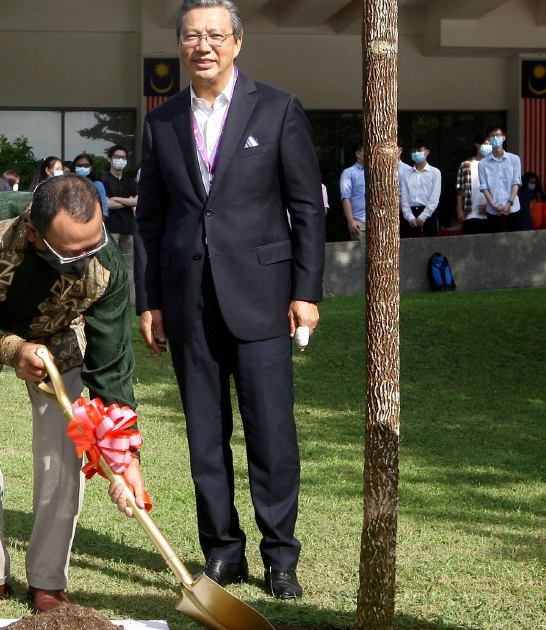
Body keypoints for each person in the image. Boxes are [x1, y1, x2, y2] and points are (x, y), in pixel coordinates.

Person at [136, 0, 324, 600]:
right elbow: (150, 221)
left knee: (272, 434)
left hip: (263, 297)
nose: (204, 46)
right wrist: (151, 300)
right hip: (188, 299)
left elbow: (307, 210)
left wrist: (305, 291)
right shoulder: (163, 121)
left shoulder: (278, 108)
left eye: (216, 35)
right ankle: (222, 551)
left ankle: (280, 557)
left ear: (238, 43)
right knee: (204, 436)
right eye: (192, 36)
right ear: (181, 47)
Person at [0, 176, 148, 614]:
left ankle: (49, 579)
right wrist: (10, 348)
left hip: (56, 335)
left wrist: (125, 456)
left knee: (65, 440)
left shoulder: (106, 267)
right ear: (34, 231)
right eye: (71, 254)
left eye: (93, 246)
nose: (86, 260)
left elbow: (111, 365)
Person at [100, 144, 138, 298]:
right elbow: (104, 203)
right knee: (110, 264)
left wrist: (115, 199)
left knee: (129, 265)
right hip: (111, 228)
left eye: (123, 158)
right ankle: (110, 297)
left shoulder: (130, 182)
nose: (120, 160)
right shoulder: (103, 180)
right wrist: (127, 201)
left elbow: (138, 201)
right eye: (117, 157)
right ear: (109, 159)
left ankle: (130, 299)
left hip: (129, 228)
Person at [479, 125, 525, 233]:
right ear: (488, 139)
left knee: (515, 240)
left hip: (513, 208)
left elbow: (516, 183)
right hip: (493, 210)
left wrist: (509, 203)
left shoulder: (514, 159)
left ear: (504, 137)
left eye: (498, 135)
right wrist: (493, 205)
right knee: (493, 242)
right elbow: (484, 187)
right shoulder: (483, 163)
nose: (495, 138)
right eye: (492, 136)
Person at [399, 139, 441, 238]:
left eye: (419, 151)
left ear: (427, 152)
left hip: (428, 212)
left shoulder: (435, 173)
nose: (416, 154)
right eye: (414, 151)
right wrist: (410, 217)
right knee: (410, 245)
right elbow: (404, 198)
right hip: (410, 213)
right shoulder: (406, 174)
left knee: (431, 245)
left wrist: (423, 217)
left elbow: (434, 198)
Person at [455, 134, 491, 235]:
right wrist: (460, 210)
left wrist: (489, 206)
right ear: (477, 145)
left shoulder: (493, 165)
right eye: (486, 143)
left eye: (490, 144)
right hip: (469, 213)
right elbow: (459, 189)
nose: (488, 146)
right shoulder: (466, 164)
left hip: (488, 213)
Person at [340, 142, 366, 241]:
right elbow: (346, 198)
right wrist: (351, 221)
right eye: (365, 151)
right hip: (358, 222)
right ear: (358, 154)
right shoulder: (348, 173)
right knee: (359, 255)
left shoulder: (376, 171)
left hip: (378, 221)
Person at [72, 153, 110, 217]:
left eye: (85, 166)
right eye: (79, 165)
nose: (82, 168)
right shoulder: (69, 184)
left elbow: (104, 210)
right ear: (75, 167)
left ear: (91, 167)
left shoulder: (97, 185)